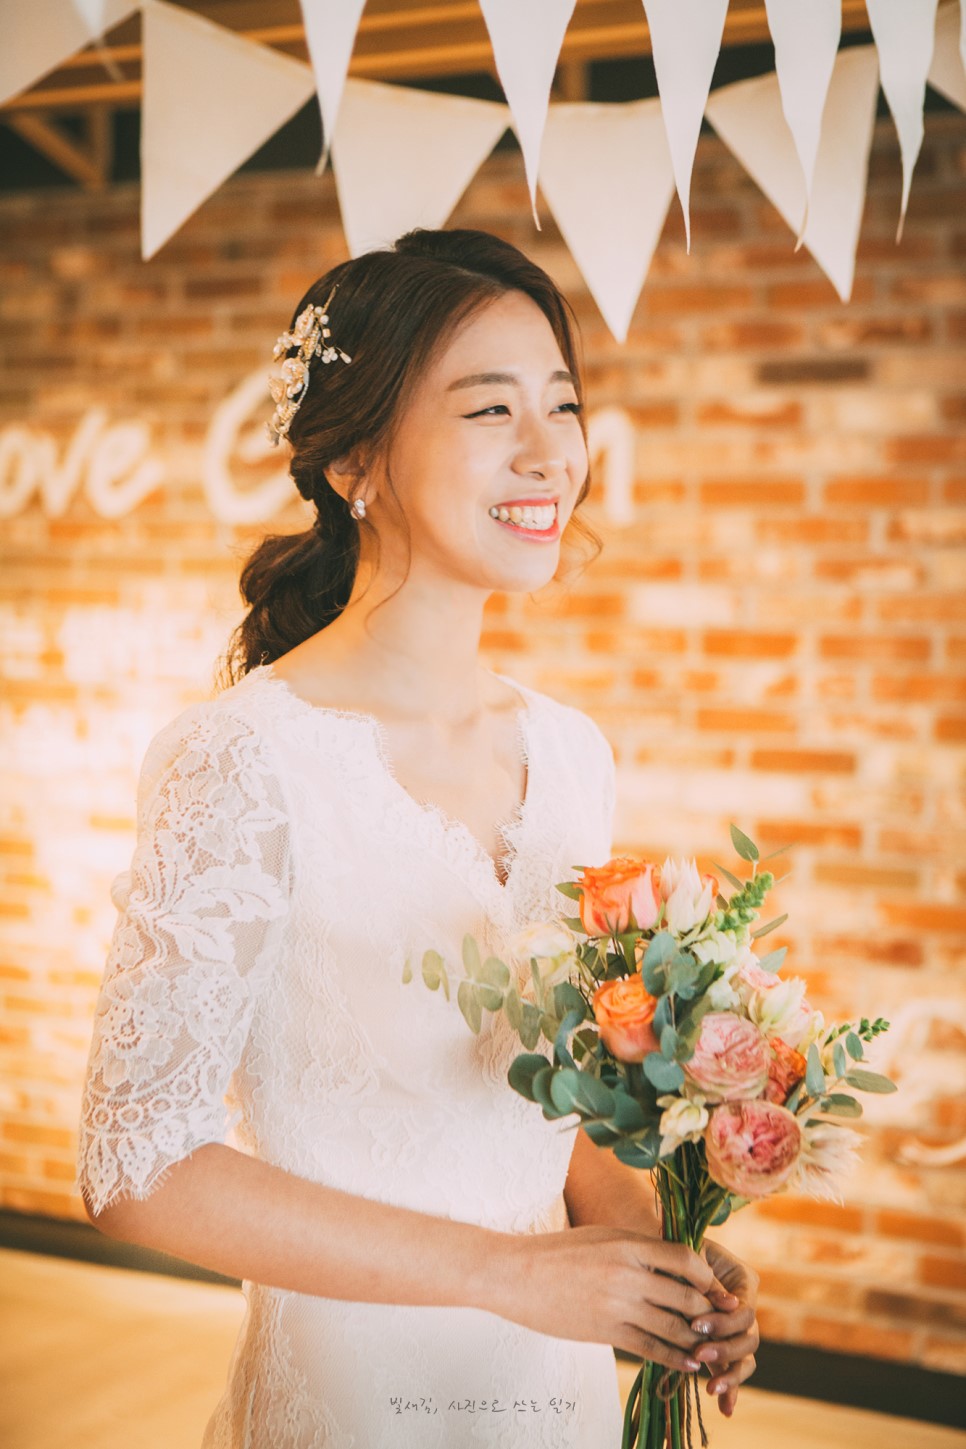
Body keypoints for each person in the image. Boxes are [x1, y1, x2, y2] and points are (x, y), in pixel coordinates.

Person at [75, 227, 759, 1448]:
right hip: (354, 1401)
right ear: (356, 461)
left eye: (563, 403)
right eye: (491, 408)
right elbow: (136, 1165)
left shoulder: (573, 752)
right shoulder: (242, 758)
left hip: (550, 1395)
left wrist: (650, 1248)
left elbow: (534, 1108)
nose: (549, 449)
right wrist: (504, 1273)